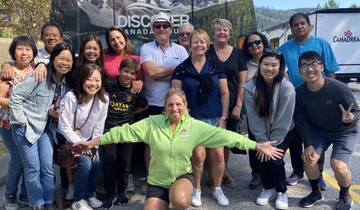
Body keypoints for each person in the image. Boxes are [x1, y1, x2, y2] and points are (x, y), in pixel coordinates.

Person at [74, 87, 284, 210]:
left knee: (181, 201)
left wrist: (257, 145)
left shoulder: (194, 127)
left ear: (185, 105)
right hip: (157, 182)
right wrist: (92, 143)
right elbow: (121, 132)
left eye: (179, 104)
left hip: (181, 177)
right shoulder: (152, 123)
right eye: (170, 105)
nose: (175, 108)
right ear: (165, 107)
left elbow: (226, 136)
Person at [9, 42, 75, 210]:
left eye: (69, 60)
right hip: (26, 127)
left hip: (45, 128)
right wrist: (21, 121)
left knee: (47, 167)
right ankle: (37, 204)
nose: (65, 63)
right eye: (61, 58)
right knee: (33, 168)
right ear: (52, 59)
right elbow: (15, 98)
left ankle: (49, 201)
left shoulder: (67, 84)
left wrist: (52, 113)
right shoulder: (39, 76)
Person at [279, 12, 339, 188]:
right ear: (291, 28)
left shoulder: (321, 44)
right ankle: (298, 171)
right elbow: (282, 72)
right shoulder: (285, 48)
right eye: (295, 24)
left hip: (318, 98)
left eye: (302, 23)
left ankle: (318, 175)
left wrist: (331, 97)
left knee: (315, 138)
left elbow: (331, 72)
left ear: (309, 25)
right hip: (296, 99)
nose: (299, 26)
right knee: (295, 137)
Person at [172, 29, 230, 207]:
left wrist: (224, 117)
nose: (199, 45)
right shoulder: (182, 68)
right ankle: (196, 189)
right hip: (193, 119)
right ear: (189, 45)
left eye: (202, 42)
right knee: (198, 156)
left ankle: (217, 188)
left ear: (208, 45)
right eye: (195, 42)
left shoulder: (216, 67)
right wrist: (184, 114)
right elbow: (175, 94)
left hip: (214, 118)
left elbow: (224, 92)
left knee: (219, 156)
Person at [295, 51, 359, 210]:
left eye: (314, 64)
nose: (310, 69)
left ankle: (345, 195)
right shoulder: (299, 92)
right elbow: (301, 121)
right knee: (308, 159)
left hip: (344, 131)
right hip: (319, 131)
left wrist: (351, 118)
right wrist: (308, 144)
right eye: (304, 65)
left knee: (338, 165)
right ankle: (316, 192)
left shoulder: (339, 88)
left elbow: (356, 112)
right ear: (299, 70)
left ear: (322, 67)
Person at [140, 12, 188, 192]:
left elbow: (184, 74)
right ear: (152, 29)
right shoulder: (146, 48)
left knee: (176, 143)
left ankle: (175, 179)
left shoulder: (181, 50)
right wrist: (176, 69)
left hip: (177, 106)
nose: (161, 29)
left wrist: (163, 71)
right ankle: (151, 179)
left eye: (165, 25)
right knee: (152, 144)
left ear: (170, 29)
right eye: (157, 26)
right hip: (153, 103)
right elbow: (152, 73)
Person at [244, 49, 295, 209]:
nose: (269, 68)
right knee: (262, 157)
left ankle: (281, 191)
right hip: (260, 132)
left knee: (275, 160)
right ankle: (268, 188)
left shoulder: (287, 88)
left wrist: (271, 144)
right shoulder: (250, 86)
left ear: (280, 67)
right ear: (259, 65)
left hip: (283, 132)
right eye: (266, 64)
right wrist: (263, 141)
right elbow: (253, 117)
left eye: (274, 65)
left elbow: (284, 119)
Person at [57, 63, 109, 210]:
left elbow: (99, 125)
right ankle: (78, 200)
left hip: (89, 140)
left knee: (97, 162)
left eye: (97, 80)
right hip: (70, 138)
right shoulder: (71, 97)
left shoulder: (103, 98)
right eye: (89, 79)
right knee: (86, 163)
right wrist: (81, 144)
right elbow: (63, 126)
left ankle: (89, 195)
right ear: (81, 80)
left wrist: (93, 146)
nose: (94, 84)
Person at [206, 18, 248, 188]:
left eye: (225, 30)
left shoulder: (238, 54)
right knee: (209, 141)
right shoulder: (207, 51)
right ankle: (212, 174)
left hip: (231, 103)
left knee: (226, 141)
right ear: (213, 34)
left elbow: (242, 81)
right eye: (218, 30)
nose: (222, 32)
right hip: (209, 103)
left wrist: (238, 104)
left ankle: (223, 173)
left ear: (230, 34)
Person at [101, 57, 148, 208]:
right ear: (119, 71)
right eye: (125, 71)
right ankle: (110, 194)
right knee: (109, 163)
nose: (128, 75)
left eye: (132, 73)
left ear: (136, 76)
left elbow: (145, 105)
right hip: (108, 130)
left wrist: (131, 113)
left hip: (127, 132)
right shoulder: (109, 84)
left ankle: (121, 193)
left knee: (125, 164)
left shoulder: (135, 90)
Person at [0, 36, 37, 210]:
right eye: (20, 49)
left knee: (27, 160)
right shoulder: (8, 72)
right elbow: (0, 99)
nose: (24, 52)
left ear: (33, 52)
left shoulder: (37, 70)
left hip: (31, 124)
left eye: (28, 49)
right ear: (14, 51)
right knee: (17, 158)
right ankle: (9, 195)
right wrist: (21, 104)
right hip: (9, 123)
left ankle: (24, 193)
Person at [242, 32, 270, 189]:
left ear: (263, 42)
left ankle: (270, 172)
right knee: (254, 141)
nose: (254, 46)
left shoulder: (274, 59)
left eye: (257, 42)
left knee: (272, 140)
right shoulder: (245, 64)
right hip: (253, 110)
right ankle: (257, 174)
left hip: (272, 109)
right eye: (250, 44)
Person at [103, 26, 143, 93]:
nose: (116, 41)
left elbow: (141, 80)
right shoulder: (104, 59)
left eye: (118, 37)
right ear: (109, 43)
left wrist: (140, 82)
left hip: (130, 100)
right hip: (110, 99)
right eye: (112, 40)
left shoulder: (137, 59)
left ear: (124, 38)